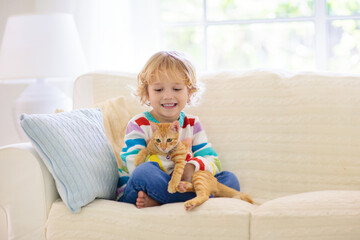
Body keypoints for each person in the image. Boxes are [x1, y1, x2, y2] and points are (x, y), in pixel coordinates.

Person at [117, 50, 240, 208]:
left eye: (176, 89)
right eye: (159, 90)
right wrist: (173, 172)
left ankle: (160, 200)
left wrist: (190, 168)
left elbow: (213, 161)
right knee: (144, 171)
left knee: (230, 180)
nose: (168, 96)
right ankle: (186, 196)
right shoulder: (139, 124)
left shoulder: (192, 124)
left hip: (183, 185)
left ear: (189, 92)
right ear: (147, 93)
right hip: (140, 188)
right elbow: (133, 164)